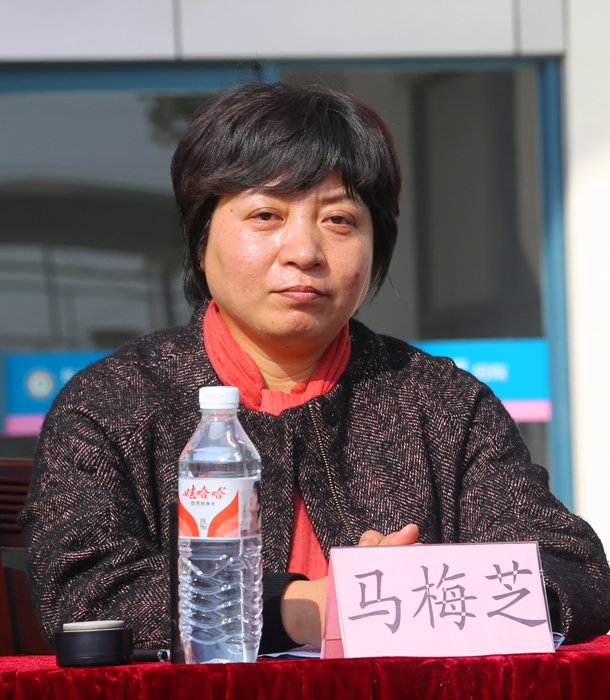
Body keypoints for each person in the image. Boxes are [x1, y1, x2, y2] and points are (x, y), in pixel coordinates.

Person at [20, 82, 610, 652]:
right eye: (265, 216)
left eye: (339, 220)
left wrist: (423, 589)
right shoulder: (110, 404)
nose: (304, 252)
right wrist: (304, 606)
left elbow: (574, 572)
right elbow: (84, 594)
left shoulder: (444, 404)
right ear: (201, 241)